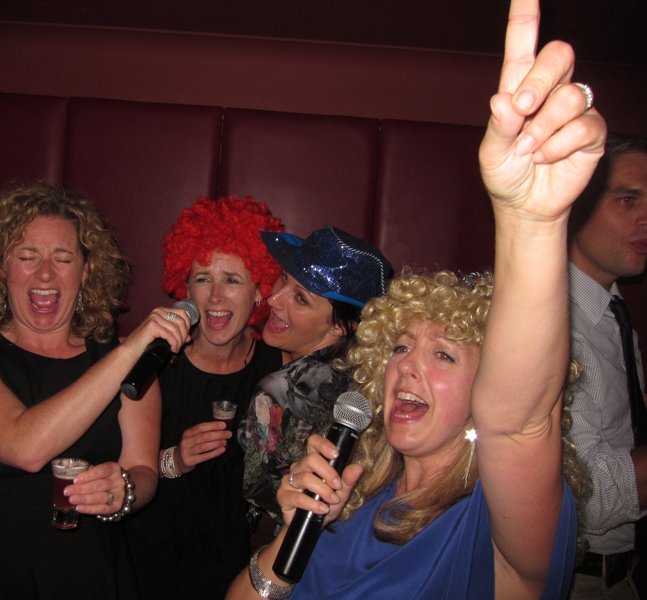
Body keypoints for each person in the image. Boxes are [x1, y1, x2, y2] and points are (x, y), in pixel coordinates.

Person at [226, 0, 605, 597]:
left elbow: (521, 422)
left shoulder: (491, 528)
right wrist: (294, 529)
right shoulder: (353, 493)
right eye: (400, 347)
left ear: (487, 391)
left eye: (444, 354)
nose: (407, 366)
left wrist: (530, 223)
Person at [0, 182, 192, 600]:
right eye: (27, 257)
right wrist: (129, 351)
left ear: (86, 271)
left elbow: (144, 471)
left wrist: (123, 489)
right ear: (0, 266)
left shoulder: (129, 364)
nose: (46, 273)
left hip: (96, 574)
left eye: (63, 258)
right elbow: (26, 445)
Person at [124, 195, 286, 600]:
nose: (215, 297)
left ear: (260, 291)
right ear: (184, 288)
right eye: (202, 279)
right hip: (144, 558)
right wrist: (174, 460)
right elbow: (113, 466)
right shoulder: (154, 361)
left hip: (228, 565)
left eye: (232, 280)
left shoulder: (278, 370)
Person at [239, 225, 391, 527]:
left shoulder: (277, 392)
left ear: (341, 326)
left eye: (301, 298)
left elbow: (259, 493)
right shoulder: (377, 374)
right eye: (285, 278)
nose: (273, 298)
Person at [567, 133, 647, 598]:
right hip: (578, 578)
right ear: (576, 206)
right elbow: (586, 496)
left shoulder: (612, 314)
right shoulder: (555, 326)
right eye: (627, 199)